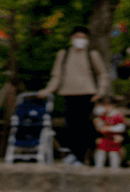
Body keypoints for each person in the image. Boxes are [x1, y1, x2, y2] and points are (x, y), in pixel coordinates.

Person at [39, 26, 111, 166]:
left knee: (84, 127)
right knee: (70, 126)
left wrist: (100, 92)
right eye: (77, 37)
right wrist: (47, 90)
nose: (80, 40)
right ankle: (73, 154)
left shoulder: (92, 54)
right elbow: (57, 76)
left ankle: (81, 156)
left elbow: (103, 74)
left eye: (83, 38)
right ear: (71, 38)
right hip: (68, 93)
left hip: (87, 94)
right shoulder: (64, 54)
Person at [93, 95, 127, 169]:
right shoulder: (99, 116)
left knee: (114, 154)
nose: (107, 107)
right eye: (104, 105)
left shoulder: (118, 115)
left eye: (109, 105)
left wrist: (110, 129)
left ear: (114, 106)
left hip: (114, 140)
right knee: (100, 154)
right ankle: (98, 168)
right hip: (102, 140)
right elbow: (96, 128)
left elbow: (122, 127)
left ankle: (115, 169)